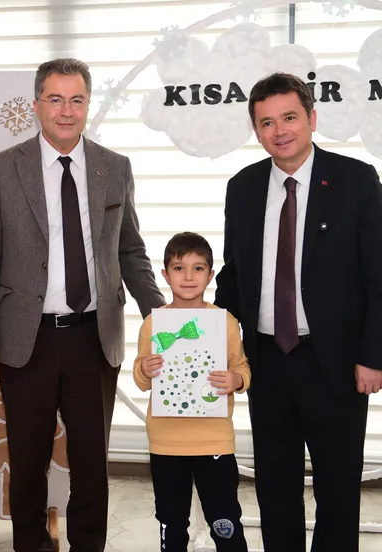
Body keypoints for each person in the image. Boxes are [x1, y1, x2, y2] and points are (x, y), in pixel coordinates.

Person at [0, 58, 166, 552]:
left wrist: (161, 313)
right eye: (55, 99)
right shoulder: (2, 169)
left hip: (93, 338)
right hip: (25, 339)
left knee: (92, 463)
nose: (66, 111)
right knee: (28, 461)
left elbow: (130, 250)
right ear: (36, 105)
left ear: (88, 105)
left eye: (76, 100)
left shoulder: (114, 167)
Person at [214, 72, 382, 552]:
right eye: (267, 122)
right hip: (266, 362)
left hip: (335, 362)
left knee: (337, 486)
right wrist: (212, 343)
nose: (280, 131)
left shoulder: (356, 180)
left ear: (312, 118)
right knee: (275, 485)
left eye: (290, 117)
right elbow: (233, 275)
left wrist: (374, 357)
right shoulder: (243, 187)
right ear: (256, 131)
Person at [133, 232, 250, 552]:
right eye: (179, 268)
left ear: (210, 275)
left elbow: (242, 368)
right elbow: (141, 378)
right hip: (166, 441)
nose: (188, 276)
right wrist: (145, 369)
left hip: (214, 439)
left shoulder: (225, 322)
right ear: (165, 274)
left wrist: (235, 380)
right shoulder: (153, 324)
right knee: (171, 521)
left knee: (224, 519)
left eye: (198, 268)